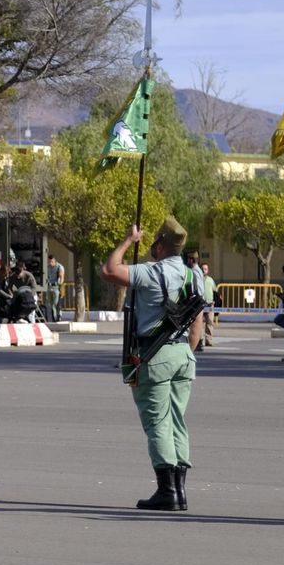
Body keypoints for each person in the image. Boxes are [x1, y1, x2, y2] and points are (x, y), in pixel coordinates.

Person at [100, 217, 203, 511]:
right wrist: (185, 353)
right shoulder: (192, 276)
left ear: (159, 245)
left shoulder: (149, 273)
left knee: (158, 422)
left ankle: (166, 491)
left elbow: (109, 270)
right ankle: (180, 491)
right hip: (183, 354)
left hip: (154, 355)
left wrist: (128, 241)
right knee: (177, 421)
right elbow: (197, 322)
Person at [200, 262, 218, 348]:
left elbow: (215, 291)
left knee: (210, 323)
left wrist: (215, 301)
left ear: (208, 270)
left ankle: (209, 340)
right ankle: (199, 341)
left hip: (210, 304)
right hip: (199, 305)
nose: (204, 270)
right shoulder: (197, 279)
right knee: (199, 323)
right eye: (202, 269)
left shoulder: (210, 280)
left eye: (205, 269)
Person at [44, 254, 65, 322]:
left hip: (56, 287)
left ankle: (57, 317)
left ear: (54, 260)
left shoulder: (59, 267)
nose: (50, 263)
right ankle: (52, 318)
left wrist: (60, 284)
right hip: (49, 286)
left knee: (56, 303)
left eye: (52, 261)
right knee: (49, 303)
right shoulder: (48, 267)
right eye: (49, 261)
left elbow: (61, 277)